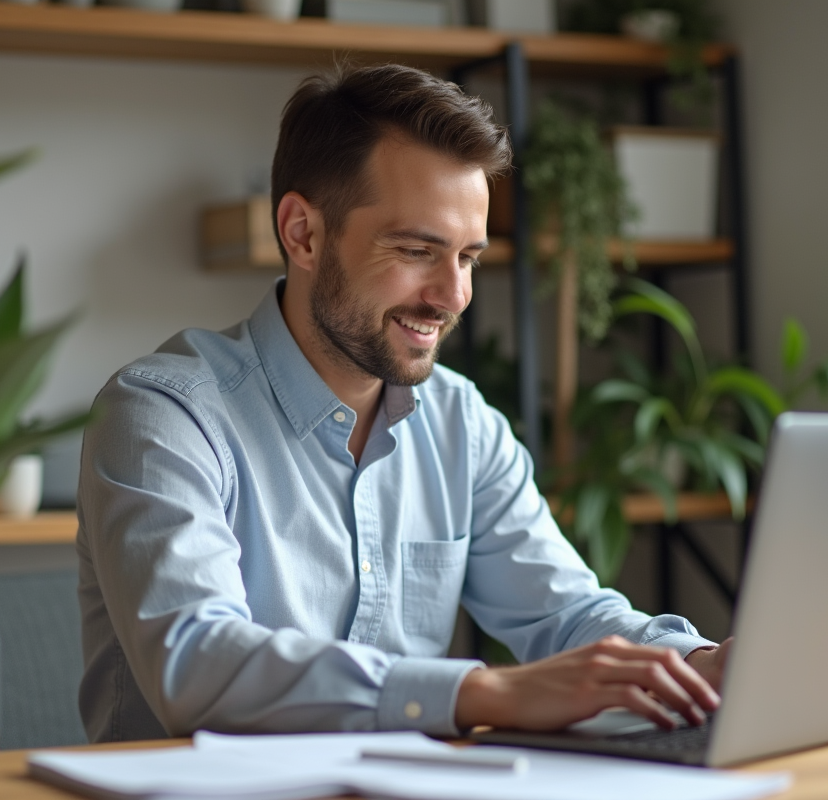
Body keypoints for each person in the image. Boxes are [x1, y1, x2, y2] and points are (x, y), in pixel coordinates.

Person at [76, 63, 731, 744]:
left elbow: (567, 616)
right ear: (302, 233)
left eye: (468, 258)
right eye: (418, 250)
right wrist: (483, 691)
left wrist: (701, 665)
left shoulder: (461, 423)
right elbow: (197, 666)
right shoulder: (162, 414)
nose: (453, 297)